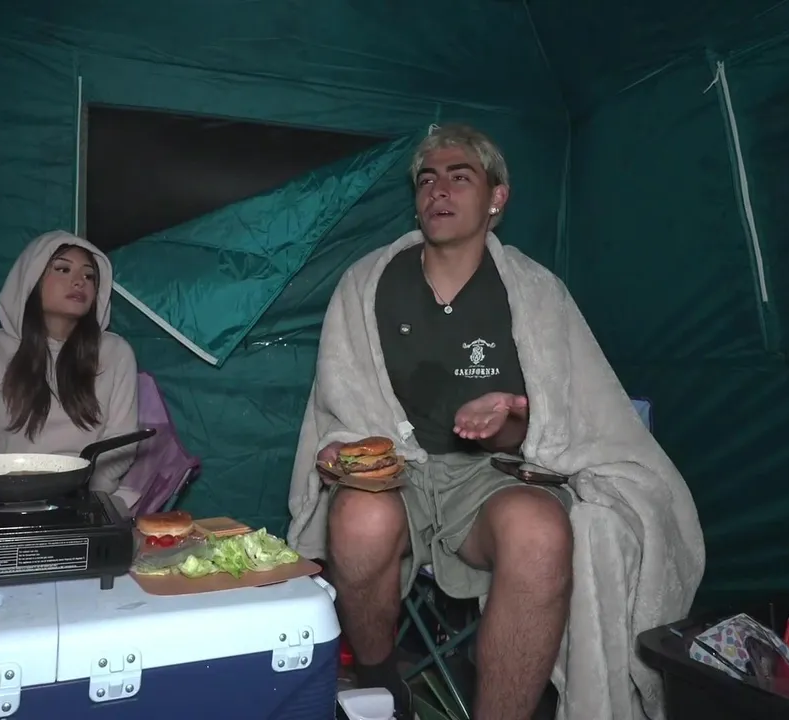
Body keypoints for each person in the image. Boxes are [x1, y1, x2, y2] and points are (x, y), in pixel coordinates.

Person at [286, 125, 703, 720]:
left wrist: (510, 418)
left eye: (460, 177)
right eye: (427, 179)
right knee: (358, 517)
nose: (439, 190)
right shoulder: (368, 282)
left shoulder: (536, 293)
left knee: (540, 532)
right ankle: (381, 685)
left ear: (496, 198)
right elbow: (342, 402)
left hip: (493, 478)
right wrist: (341, 448)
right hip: (397, 471)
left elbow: (556, 428)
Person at [0, 230, 140, 494]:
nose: (80, 282)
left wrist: (89, 496)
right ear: (31, 277)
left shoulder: (116, 353)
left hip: (88, 498)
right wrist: (4, 495)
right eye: (63, 269)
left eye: (89, 276)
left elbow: (121, 444)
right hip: (2, 497)